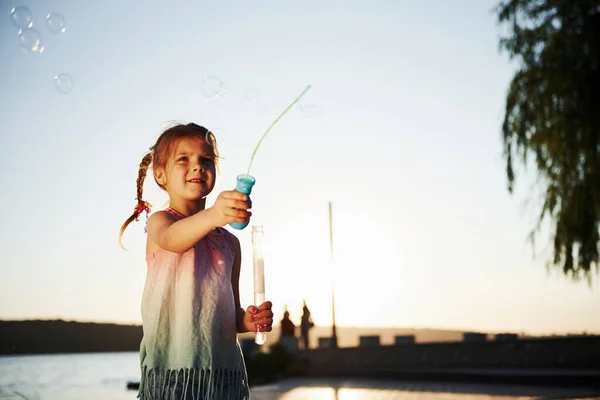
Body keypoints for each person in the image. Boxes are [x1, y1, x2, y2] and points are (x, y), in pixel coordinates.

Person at [119, 122, 274, 400]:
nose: (197, 166)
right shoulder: (161, 222)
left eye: (206, 160)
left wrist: (247, 320)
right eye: (184, 159)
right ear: (161, 174)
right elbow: (175, 240)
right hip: (174, 376)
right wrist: (215, 215)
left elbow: (230, 313)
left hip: (222, 376)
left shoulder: (230, 244)